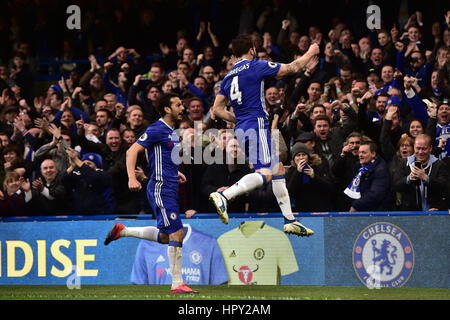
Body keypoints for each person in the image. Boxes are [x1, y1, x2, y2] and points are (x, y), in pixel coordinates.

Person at [210, 34, 320, 236]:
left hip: (243, 127)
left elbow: (216, 109)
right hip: (257, 124)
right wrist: (311, 52)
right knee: (265, 173)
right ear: (251, 50)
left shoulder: (227, 78)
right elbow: (293, 68)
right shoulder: (256, 65)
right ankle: (225, 196)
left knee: (278, 169)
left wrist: (238, 119)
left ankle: (290, 220)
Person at [104, 93, 199, 294]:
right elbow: (132, 151)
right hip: (161, 188)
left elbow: (157, 156)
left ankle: (123, 231)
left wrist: (176, 172)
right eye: (178, 104)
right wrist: (132, 177)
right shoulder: (156, 128)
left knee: (166, 237)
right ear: (167, 109)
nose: (182, 108)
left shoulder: (171, 131)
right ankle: (177, 284)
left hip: (169, 186)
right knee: (177, 232)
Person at [392, 133, 448, 211]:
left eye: (424, 148)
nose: (420, 152)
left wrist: (427, 179)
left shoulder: (439, 164)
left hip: (433, 212)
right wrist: (408, 179)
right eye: (418, 148)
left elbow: (444, 187)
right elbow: (395, 185)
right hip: (409, 213)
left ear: (430, 148)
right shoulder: (404, 163)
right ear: (414, 147)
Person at [344, 141, 393, 212]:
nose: (360, 155)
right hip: (364, 210)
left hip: (377, 213)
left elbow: (375, 195)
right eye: (359, 152)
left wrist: (356, 206)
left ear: (373, 154)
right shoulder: (360, 167)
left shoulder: (381, 169)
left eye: (364, 152)